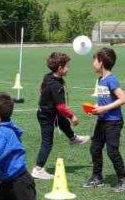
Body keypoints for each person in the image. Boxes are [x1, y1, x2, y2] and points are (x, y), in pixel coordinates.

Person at [32, 52, 88, 181]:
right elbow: (61, 107)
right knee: (47, 143)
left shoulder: (48, 77)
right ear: (60, 68)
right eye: (67, 66)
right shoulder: (56, 86)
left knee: (62, 122)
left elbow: (41, 88)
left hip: (49, 112)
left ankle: (73, 138)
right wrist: (72, 116)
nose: (68, 68)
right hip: (46, 116)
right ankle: (38, 169)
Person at [83, 47, 125, 192]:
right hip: (102, 120)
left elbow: (123, 99)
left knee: (112, 151)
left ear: (101, 62)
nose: (93, 63)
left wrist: (104, 109)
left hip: (113, 122)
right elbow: (103, 101)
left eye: (94, 60)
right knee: (95, 148)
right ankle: (97, 178)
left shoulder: (111, 79)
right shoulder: (100, 80)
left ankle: (124, 180)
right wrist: (95, 108)